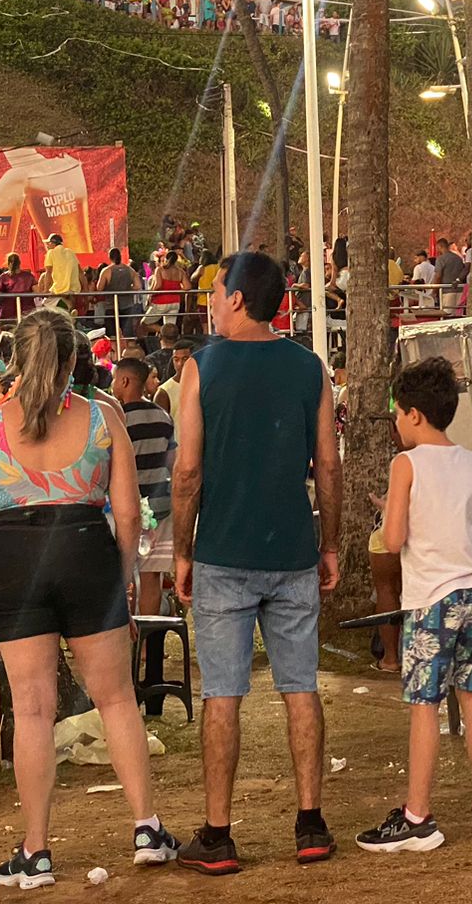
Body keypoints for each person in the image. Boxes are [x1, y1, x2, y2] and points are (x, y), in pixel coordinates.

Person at [0, 310, 178, 887]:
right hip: (87, 554)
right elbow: (128, 514)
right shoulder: (104, 419)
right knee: (116, 699)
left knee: (31, 709)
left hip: (13, 559)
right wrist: (123, 580)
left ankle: (36, 851)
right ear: (74, 359)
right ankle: (146, 827)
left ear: (15, 359)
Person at [172, 253, 341, 874]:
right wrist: (331, 542)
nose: (211, 299)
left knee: (224, 693)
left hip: (222, 550)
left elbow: (188, 471)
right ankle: (310, 823)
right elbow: (328, 464)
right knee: (301, 686)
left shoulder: (201, 368)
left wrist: (182, 550)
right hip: (293, 549)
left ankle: (218, 834)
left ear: (237, 298)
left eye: (216, 290)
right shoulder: (309, 369)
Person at [355, 358, 472, 852]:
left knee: (424, 705)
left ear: (415, 414)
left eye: (398, 413)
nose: (397, 423)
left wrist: (389, 514)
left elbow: (395, 537)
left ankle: (418, 816)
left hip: (431, 600)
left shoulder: (407, 464)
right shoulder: (471, 461)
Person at [113, 358, 176, 618]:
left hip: (126, 507)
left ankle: (129, 639)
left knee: (124, 577)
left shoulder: (118, 418)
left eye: (115, 379)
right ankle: (149, 644)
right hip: (160, 507)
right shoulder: (163, 417)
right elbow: (172, 462)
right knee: (152, 578)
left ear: (125, 381)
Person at [45, 233, 83, 308]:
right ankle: (69, 309)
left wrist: (46, 289)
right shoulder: (71, 252)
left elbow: (48, 272)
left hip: (59, 288)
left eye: (48, 243)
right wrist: (85, 289)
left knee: (46, 305)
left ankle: (67, 308)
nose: (47, 246)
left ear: (53, 243)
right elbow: (80, 272)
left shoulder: (51, 253)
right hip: (73, 288)